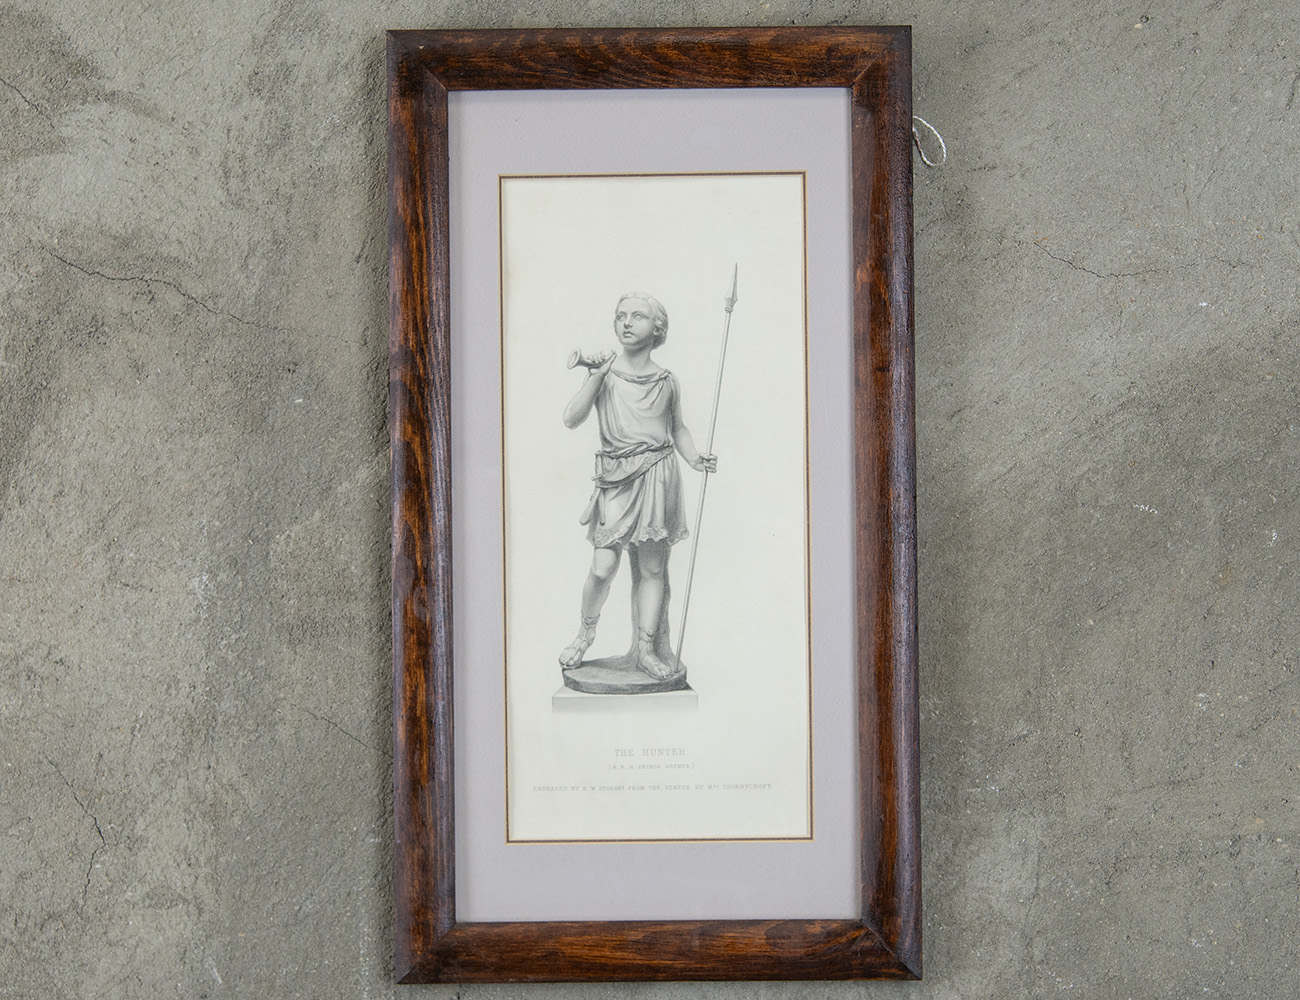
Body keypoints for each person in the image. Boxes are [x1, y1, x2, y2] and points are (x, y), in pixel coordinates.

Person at [558, 293, 716, 680]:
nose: (627, 322)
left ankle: (645, 649)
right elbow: (571, 417)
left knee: (652, 568)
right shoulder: (605, 373)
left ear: (657, 329)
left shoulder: (666, 381)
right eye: (621, 316)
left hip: (658, 476)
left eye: (638, 316)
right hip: (615, 479)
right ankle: (585, 634)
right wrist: (595, 376)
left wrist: (694, 458)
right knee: (603, 566)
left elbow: (677, 428)